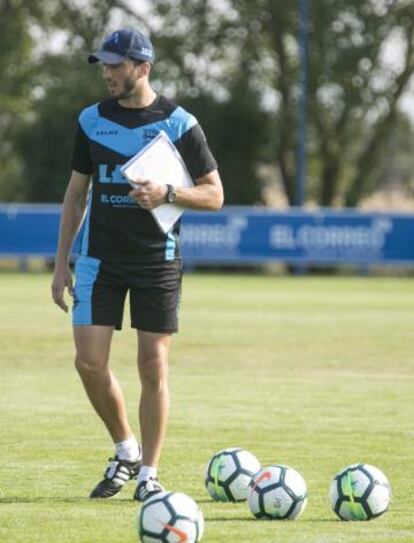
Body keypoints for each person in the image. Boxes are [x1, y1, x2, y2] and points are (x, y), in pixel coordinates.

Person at [51, 27, 223, 502]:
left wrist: (168, 193)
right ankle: (125, 448)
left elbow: (214, 194)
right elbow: (75, 194)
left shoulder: (179, 123)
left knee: (153, 367)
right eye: (103, 65)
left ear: (142, 68)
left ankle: (149, 472)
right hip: (98, 260)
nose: (106, 73)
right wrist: (60, 261)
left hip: (157, 262)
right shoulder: (90, 120)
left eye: (115, 65)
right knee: (89, 363)